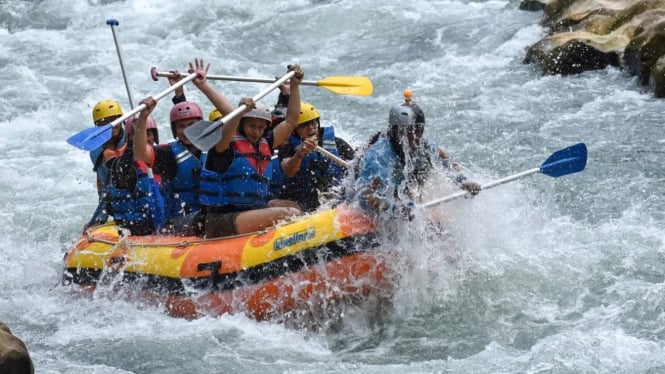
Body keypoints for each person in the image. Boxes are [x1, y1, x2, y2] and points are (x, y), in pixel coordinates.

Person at [188, 58, 305, 238]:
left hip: (250, 212)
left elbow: (291, 121)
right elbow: (229, 116)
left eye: (260, 127)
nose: (256, 131)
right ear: (241, 124)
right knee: (291, 215)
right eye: (251, 126)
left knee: (296, 207)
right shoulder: (225, 145)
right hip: (220, 220)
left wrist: (295, 86)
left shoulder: (265, 143)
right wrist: (204, 85)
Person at [350, 97, 481, 219]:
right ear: (396, 131)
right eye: (409, 131)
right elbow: (365, 198)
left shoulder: (425, 146)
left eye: (419, 130)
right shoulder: (378, 158)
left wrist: (462, 182)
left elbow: (447, 163)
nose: (416, 137)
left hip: (407, 206)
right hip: (375, 210)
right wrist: (395, 210)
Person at [275, 102, 355, 212]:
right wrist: (299, 155)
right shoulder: (288, 148)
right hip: (302, 202)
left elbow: (356, 164)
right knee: (273, 204)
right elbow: (289, 170)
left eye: (313, 122)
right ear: (294, 130)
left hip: (335, 199)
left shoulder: (338, 143)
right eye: (304, 125)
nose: (311, 128)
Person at [86, 99, 127, 228]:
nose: (111, 125)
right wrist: (99, 217)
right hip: (112, 192)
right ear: (98, 126)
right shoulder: (96, 151)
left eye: (114, 120)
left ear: (121, 120)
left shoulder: (130, 138)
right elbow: (103, 183)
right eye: (105, 122)